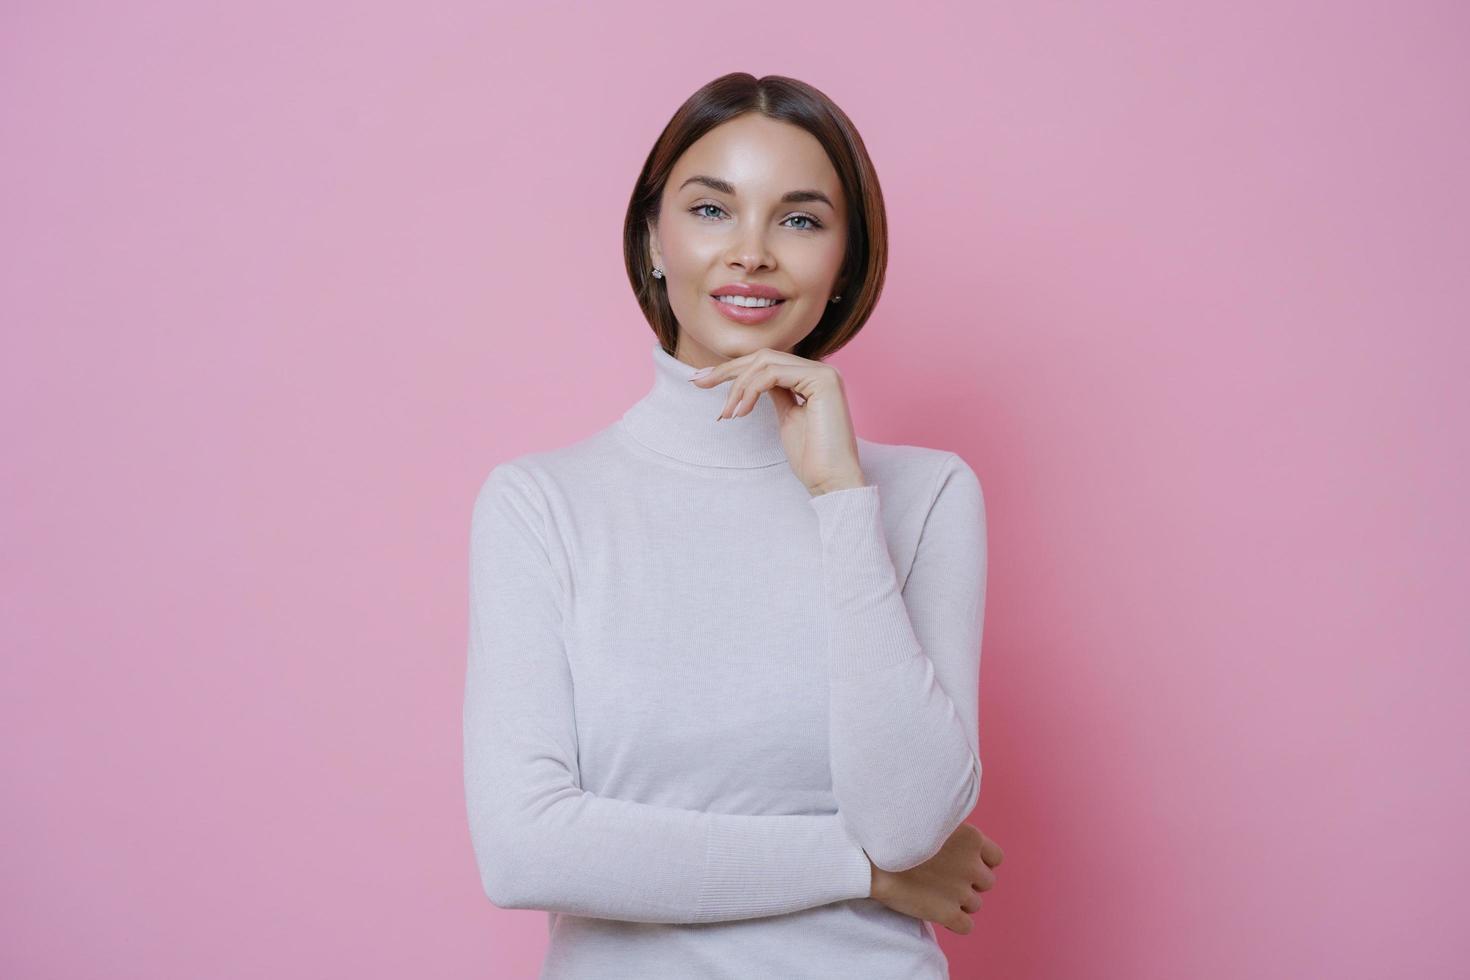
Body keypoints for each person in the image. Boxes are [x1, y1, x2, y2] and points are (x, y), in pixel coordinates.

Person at [464, 72, 1004, 979]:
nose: (751, 253)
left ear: (843, 263)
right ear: (654, 239)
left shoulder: (927, 495)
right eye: (713, 210)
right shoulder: (541, 504)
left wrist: (839, 499)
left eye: (800, 220)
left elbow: (911, 825)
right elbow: (527, 849)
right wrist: (859, 871)